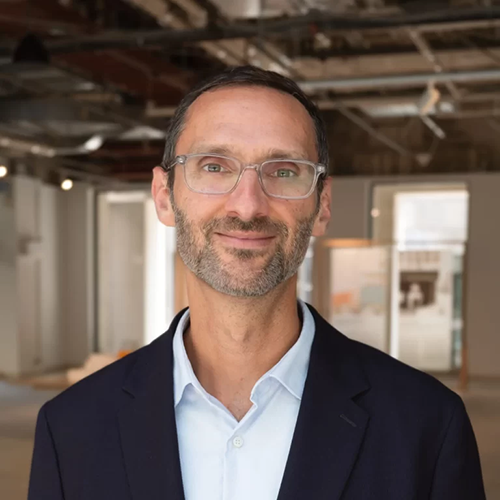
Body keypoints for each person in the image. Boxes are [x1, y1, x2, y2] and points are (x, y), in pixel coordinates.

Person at [28, 66, 485, 500]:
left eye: (283, 171)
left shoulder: (427, 426)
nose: (248, 206)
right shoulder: (70, 429)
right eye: (213, 166)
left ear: (322, 205)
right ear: (165, 197)